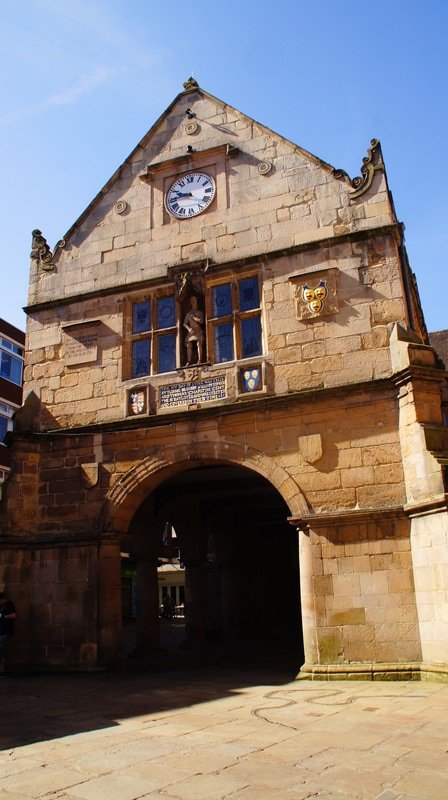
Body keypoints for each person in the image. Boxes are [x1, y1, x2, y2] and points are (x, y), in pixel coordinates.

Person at [183, 296, 204, 365]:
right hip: (191, 331)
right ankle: (189, 360)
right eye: (192, 302)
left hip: (198, 330)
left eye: (195, 302)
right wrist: (189, 329)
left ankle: (200, 360)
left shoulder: (199, 312)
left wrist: (194, 318)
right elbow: (184, 324)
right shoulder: (188, 314)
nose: (194, 303)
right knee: (189, 344)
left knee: (199, 343)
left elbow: (201, 321)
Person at [0, 591, 16, 676]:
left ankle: (2, 671)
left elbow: (13, 615)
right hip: (1, 631)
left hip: (5, 631)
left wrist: (3, 617)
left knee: (1, 651)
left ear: (3, 599)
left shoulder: (10, 605)